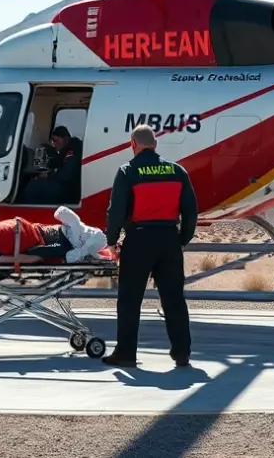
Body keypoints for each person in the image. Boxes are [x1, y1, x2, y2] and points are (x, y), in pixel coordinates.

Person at [101, 124, 197, 368]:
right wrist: (182, 240)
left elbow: (116, 211)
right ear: (155, 144)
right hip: (169, 240)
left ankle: (126, 354)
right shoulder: (177, 171)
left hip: (139, 240)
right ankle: (182, 353)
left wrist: (112, 241)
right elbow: (191, 211)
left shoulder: (127, 171)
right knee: (174, 299)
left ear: (133, 144)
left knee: (130, 300)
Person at [20, 126, 83, 204]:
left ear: (66, 138)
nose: (54, 144)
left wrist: (48, 175)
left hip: (69, 190)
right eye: (52, 141)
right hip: (68, 186)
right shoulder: (68, 149)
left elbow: (66, 175)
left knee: (33, 186)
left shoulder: (72, 151)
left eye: (56, 141)